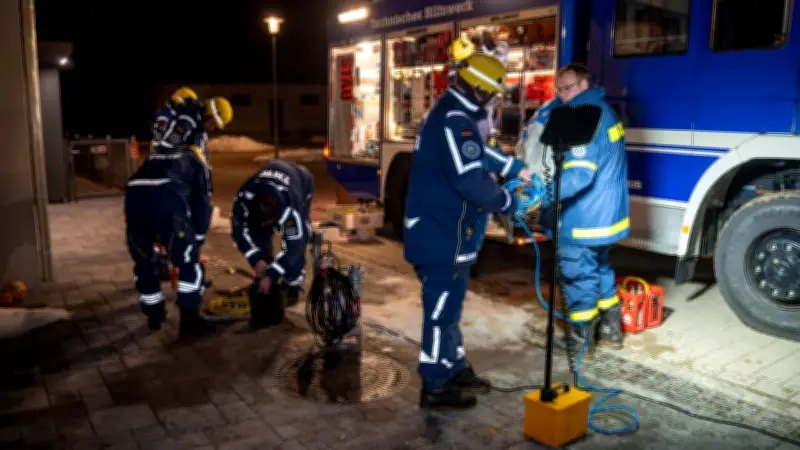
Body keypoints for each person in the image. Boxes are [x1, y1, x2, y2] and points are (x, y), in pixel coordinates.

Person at [403, 51, 534, 411]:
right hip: (440, 235)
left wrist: (512, 167)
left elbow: (478, 152)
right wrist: (508, 201)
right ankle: (434, 386)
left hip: (448, 234)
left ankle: (454, 367)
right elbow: (469, 177)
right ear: (481, 90)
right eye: (492, 93)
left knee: (451, 308)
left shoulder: (454, 113)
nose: (493, 100)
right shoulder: (454, 119)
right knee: (440, 311)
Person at [521, 62, 630, 355]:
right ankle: (611, 328)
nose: (562, 95)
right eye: (558, 89)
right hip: (606, 215)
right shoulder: (604, 110)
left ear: (584, 85)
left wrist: (542, 196)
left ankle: (580, 341)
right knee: (599, 267)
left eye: (567, 88)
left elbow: (579, 175)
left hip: (584, 217)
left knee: (577, 275)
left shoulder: (586, 117)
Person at [124, 118, 215, 338]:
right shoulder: (195, 160)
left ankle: (154, 316)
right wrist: (199, 237)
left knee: (144, 261)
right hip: (166, 204)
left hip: (134, 200)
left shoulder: (154, 156)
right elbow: (202, 203)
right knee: (188, 263)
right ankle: (189, 320)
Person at [230, 159, 314, 329]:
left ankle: (293, 285)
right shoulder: (244, 199)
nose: (265, 225)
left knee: (298, 242)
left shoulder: (292, 206)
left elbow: (294, 248)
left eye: (268, 222)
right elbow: (239, 233)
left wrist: (274, 275)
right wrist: (256, 260)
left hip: (301, 179)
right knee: (259, 237)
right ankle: (266, 265)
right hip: (271, 181)